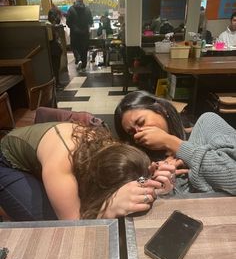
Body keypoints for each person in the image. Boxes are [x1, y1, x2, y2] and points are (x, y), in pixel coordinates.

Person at [0, 120, 174, 221]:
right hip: (7, 163)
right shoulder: (61, 165)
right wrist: (106, 209)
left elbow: (132, 171)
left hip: (42, 154)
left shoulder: (113, 150)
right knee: (49, 222)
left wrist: (152, 178)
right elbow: (73, 225)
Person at [114, 90, 236, 196]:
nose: (138, 133)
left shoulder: (207, 125)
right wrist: (154, 183)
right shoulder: (144, 162)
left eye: (141, 122)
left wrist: (172, 143)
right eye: (131, 133)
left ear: (161, 110)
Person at [66, 0, 93, 71]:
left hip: (75, 33)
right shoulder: (87, 9)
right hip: (85, 33)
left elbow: (68, 22)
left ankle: (78, 59)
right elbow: (91, 21)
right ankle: (83, 65)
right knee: (84, 49)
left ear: (76, 1)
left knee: (74, 47)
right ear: (82, 1)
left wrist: (73, 27)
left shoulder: (71, 9)